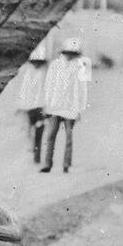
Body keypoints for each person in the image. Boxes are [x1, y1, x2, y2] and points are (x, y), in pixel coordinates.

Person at [39, 37, 90, 174]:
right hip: (55, 105)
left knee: (69, 136)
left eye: (73, 53)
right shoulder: (55, 65)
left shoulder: (80, 66)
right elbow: (48, 85)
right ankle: (47, 164)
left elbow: (83, 89)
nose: (70, 56)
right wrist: (46, 104)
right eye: (67, 52)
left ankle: (66, 164)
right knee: (50, 135)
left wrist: (80, 108)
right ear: (63, 52)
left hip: (71, 106)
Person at [16, 42, 48, 163]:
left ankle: (37, 155)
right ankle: (34, 151)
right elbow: (23, 89)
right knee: (28, 132)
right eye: (35, 62)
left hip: (40, 107)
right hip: (29, 107)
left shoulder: (44, 73)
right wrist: (21, 105)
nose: (36, 65)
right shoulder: (27, 72)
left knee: (39, 130)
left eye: (39, 62)